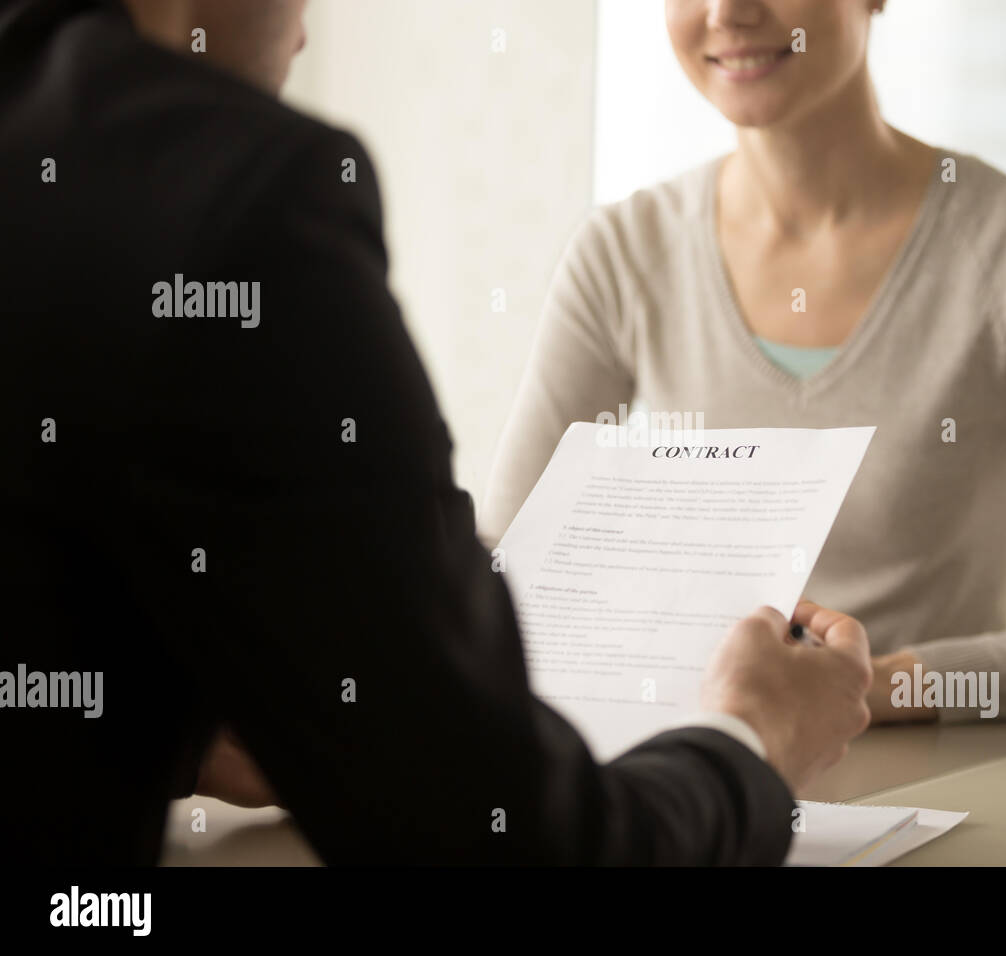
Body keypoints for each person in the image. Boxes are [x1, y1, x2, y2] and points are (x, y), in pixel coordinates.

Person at [0, 0, 871, 866]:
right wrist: (751, 738)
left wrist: (186, 732)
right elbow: (511, 845)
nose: (305, 33)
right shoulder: (235, 192)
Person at [481, 0, 1006, 722]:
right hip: (703, 778)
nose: (728, 12)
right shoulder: (623, 252)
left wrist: (866, 691)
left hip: (936, 792)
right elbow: (503, 573)